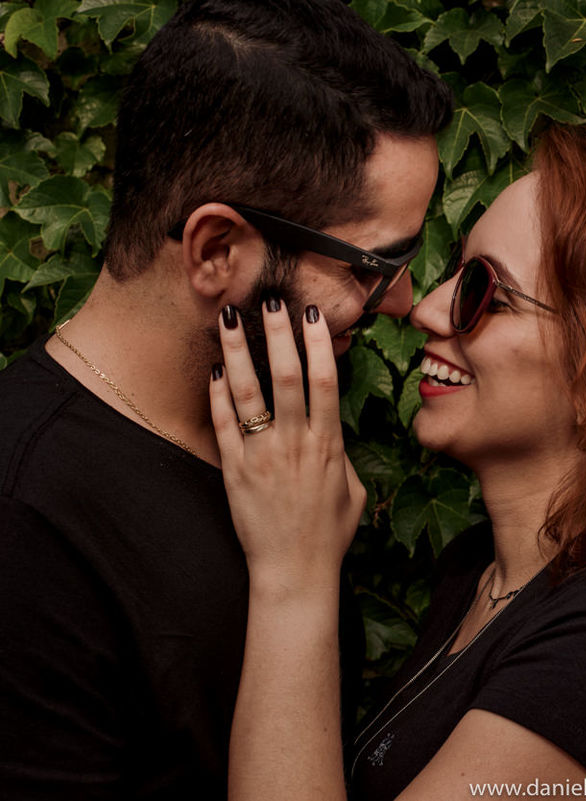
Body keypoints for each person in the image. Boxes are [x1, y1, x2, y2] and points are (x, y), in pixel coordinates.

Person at [210, 127, 586, 801]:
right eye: (456, 273)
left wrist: (292, 575)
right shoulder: (478, 571)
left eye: (484, 291)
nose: (425, 309)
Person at [0, 1, 451, 797]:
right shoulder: (25, 519)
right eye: (371, 264)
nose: (403, 298)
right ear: (217, 249)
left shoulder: (281, 434)